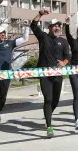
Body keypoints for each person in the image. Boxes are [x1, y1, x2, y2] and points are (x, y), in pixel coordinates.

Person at [30, 9, 70, 138]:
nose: (57, 27)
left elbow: (67, 56)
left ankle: (48, 115)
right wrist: (40, 14)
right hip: (45, 74)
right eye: (55, 26)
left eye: (59, 25)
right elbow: (33, 25)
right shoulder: (44, 37)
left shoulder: (63, 42)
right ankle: (49, 126)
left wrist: (64, 62)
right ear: (50, 27)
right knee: (48, 99)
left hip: (58, 75)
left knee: (55, 101)